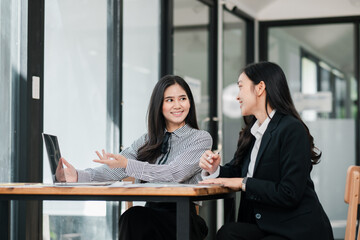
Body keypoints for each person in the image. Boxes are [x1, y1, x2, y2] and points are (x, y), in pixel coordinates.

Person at [57, 75, 212, 240]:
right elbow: (115, 170)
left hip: (182, 218)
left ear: (190, 102)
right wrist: (79, 176)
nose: (178, 105)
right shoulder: (147, 140)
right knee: (133, 217)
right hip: (149, 215)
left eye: (182, 98)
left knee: (134, 217)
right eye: (169, 100)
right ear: (159, 105)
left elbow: (174, 174)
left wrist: (128, 164)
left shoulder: (200, 138)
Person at [199, 61, 334, 240]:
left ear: (260, 87)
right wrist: (214, 169)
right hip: (266, 226)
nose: (237, 96)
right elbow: (238, 172)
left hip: (296, 230)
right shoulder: (253, 131)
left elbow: (289, 192)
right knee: (228, 233)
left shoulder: (291, 129)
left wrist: (243, 183)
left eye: (241, 87)